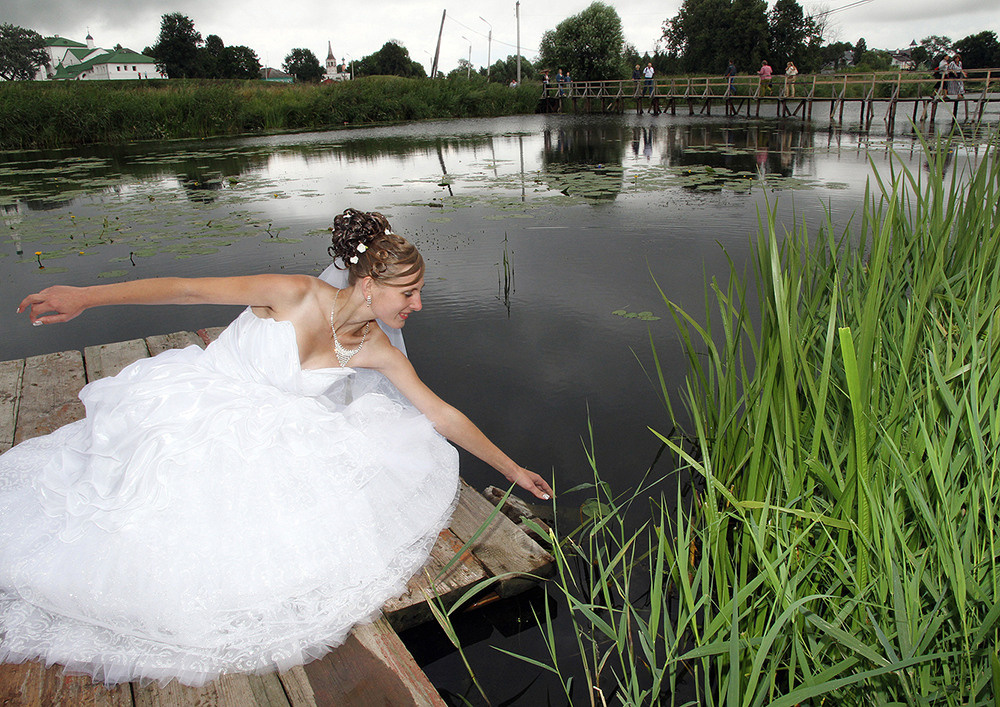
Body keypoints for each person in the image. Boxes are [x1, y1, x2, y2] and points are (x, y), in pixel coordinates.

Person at [0, 209, 553, 687]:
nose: (419, 304)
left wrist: (514, 468)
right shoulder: (292, 293)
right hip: (195, 404)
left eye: (418, 291)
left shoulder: (377, 348)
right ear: (368, 286)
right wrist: (85, 297)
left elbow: (440, 414)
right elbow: (187, 289)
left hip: (269, 433)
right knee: (134, 506)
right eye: (409, 292)